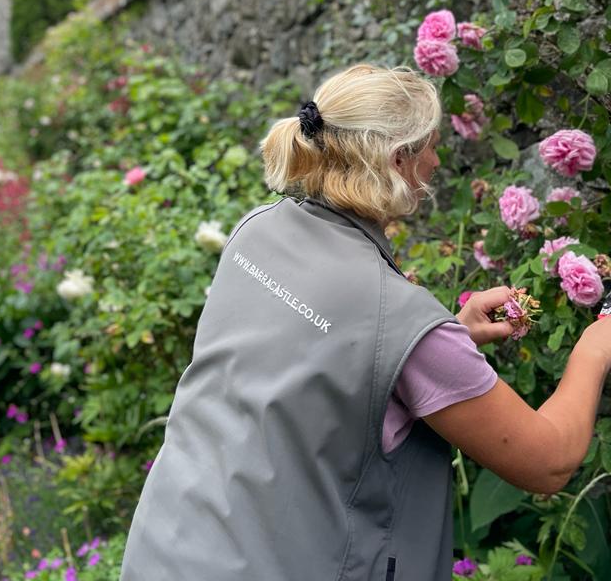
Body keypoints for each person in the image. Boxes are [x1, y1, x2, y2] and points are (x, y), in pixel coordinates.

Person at [119, 64, 611, 581]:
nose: (437, 161)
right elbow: (548, 462)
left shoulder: (256, 232)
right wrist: (594, 347)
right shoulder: (399, 318)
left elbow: (317, 352)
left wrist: (442, 339)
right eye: (431, 147)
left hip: (168, 548)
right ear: (399, 160)